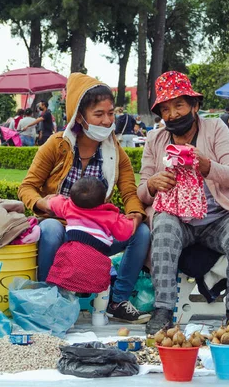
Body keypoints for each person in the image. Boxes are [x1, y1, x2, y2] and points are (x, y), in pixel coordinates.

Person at [18, 73, 151, 324]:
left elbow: (129, 192)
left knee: (141, 233)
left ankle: (118, 301)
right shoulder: (57, 145)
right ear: (80, 116)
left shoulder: (115, 152)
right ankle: (50, 300)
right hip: (64, 229)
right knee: (50, 228)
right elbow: (27, 187)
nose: (107, 120)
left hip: (95, 232)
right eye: (98, 114)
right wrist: (47, 203)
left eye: (110, 113)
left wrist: (134, 215)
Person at [138, 71, 229, 334]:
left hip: (217, 219)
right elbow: (142, 191)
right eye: (165, 109)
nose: (172, 115)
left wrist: (207, 166)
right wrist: (152, 184)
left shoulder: (215, 129)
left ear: (195, 106)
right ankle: (163, 310)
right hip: (177, 219)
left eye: (179, 105)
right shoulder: (154, 139)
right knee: (165, 227)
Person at [45, 176, 136, 326]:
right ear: (103, 200)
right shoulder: (109, 215)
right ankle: (98, 318)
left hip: (71, 256)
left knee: (67, 288)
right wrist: (128, 220)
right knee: (103, 288)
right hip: (97, 259)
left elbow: (54, 203)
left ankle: (68, 318)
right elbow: (124, 233)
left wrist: (54, 198)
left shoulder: (69, 206)